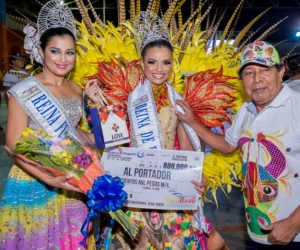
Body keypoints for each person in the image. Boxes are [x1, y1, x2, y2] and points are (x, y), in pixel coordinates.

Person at [85, 11, 226, 250]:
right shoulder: (124, 97)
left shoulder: (178, 100)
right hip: (134, 189)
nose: (159, 69)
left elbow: (187, 151)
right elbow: (111, 145)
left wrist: (195, 175)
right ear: (142, 63)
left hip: (168, 190)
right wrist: (99, 106)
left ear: (173, 64)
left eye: (166, 62)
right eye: (152, 62)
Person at [175, 41, 300, 250]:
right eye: (249, 73)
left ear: (281, 72)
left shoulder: (297, 107)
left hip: (294, 236)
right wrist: (191, 121)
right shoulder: (246, 110)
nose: (257, 79)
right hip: (257, 232)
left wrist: (293, 223)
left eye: (264, 70)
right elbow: (227, 145)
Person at [0, 1, 96, 249]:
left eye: (70, 52)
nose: (63, 59)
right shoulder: (24, 91)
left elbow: (76, 133)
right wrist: (49, 179)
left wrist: (104, 118)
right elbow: (14, 146)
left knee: (75, 241)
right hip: (33, 180)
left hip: (72, 177)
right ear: (41, 52)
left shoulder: (77, 89)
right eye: (55, 51)